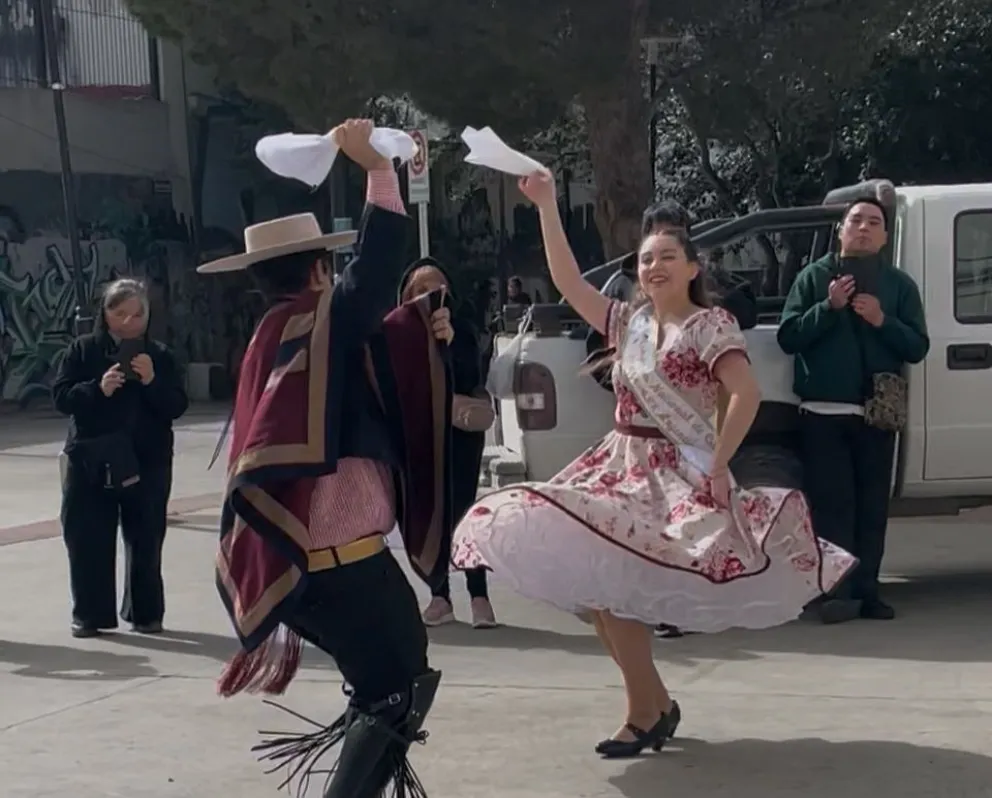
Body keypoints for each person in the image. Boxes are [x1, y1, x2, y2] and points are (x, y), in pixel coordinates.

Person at [450, 171, 856, 758]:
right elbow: (566, 280)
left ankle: (646, 710)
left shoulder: (709, 325)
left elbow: (744, 396)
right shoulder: (627, 322)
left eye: (668, 256)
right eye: (645, 259)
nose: (654, 266)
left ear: (693, 268)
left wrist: (719, 464)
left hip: (673, 472)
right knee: (596, 590)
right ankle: (654, 703)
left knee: (615, 594)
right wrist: (543, 204)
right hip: (617, 462)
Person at [199, 120, 455, 798]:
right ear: (318, 269)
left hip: (305, 556)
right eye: (330, 268)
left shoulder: (276, 334)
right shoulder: (316, 321)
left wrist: (417, 327)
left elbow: (374, 332)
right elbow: (375, 270)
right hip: (338, 558)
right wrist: (376, 169)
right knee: (397, 690)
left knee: (395, 684)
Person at [778, 197, 929, 624]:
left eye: (874, 223)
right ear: (841, 230)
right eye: (856, 221)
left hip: (877, 414)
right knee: (832, 507)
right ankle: (835, 593)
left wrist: (884, 321)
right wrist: (829, 309)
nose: (863, 228)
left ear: (884, 237)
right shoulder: (814, 277)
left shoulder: (899, 285)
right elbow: (789, 337)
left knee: (871, 508)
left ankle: (869, 593)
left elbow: (917, 347)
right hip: (823, 414)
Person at [52, 278, 188, 638]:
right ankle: (90, 614)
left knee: (145, 538)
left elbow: (176, 405)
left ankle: (145, 612)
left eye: (137, 314)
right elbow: (62, 397)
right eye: (119, 313)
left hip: (147, 459)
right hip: (91, 458)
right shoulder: (82, 350)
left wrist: (152, 381)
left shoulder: (159, 354)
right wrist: (97, 389)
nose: (128, 322)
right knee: (87, 537)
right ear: (105, 312)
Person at [398, 258, 498, 629]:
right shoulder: (399, 334)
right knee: (426, 514)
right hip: (420, 438)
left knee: (463, 514)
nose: (430, 295)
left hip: (459, 438)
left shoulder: (463, 328)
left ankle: (479, 597)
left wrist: (449, 343)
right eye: (420, 289)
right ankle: (439, 597)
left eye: (437, 287)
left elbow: (472, 373)